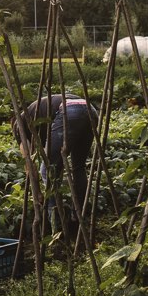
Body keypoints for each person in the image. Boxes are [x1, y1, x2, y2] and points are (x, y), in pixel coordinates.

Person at [13, 93, 96, 234]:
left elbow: (29, 163)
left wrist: (38, 193)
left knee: (46, 169)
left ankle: (56, 222)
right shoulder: (37, 115)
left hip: (68, 111)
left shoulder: (19, 127)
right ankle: (78, 217)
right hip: (90, 109)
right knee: (78, 167)